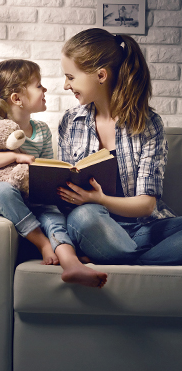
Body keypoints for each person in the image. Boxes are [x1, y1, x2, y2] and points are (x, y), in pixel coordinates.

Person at [0, 59, 108, 288]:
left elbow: (45, 168)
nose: (45, 89)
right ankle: (42, 243)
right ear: (17, 98)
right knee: (3, 190)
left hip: (32, 195)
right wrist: (13, 157)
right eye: (38, 85)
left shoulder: (41, 130)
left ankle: (71, 263)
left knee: (52, 214)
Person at [57, 27, 182, 266]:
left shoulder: (148, 124)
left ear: (101, 75)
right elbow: (65, 192)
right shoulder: (70, 123)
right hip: (95, 224)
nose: (65, 85)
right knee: (84, 215)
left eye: (71, 77)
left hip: (145, 227)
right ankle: (143, 259)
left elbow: (146, 205)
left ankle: (127, 259)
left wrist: (101, 198)